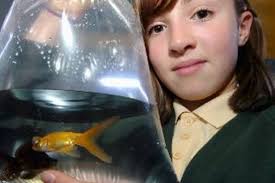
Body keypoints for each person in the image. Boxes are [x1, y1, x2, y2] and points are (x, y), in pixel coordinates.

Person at [31, 0, 275, 182]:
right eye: (157, 28)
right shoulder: (128, 130)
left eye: (201, 14)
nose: (178, 42)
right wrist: (51, 14)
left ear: (242, 28)